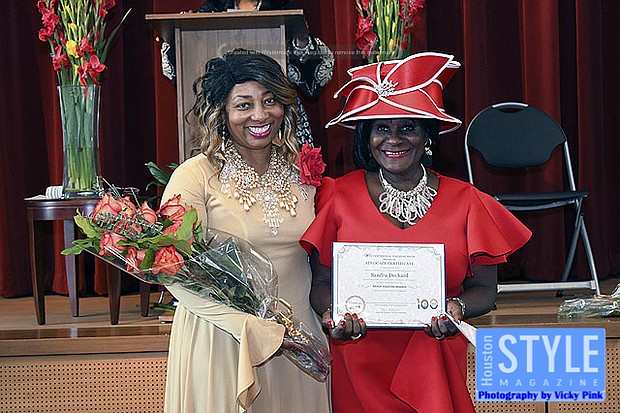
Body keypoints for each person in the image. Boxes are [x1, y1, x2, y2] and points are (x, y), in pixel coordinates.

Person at [300, 52, 532, 413]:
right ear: (367, 136)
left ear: (427, 136)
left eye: (407, 127)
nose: (393, 139)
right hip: (359, 362)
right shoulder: (337, 196)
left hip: (434, 362)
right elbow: (320, 283)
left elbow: (485, 291)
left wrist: (457, 307)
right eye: (381, 128)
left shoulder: (467, 201)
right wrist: (333, 314)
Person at [161, 49, 330, 413]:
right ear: (221, 112)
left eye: (270, 101)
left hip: (300, 344)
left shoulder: (305, 173)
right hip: (224, 341)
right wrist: (251, 328)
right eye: (243, 105)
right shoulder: (195, 175)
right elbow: (174, 271)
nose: (260, 114)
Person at [160, 0, 334, 147]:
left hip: (278, 118)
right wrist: (181, 30)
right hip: (225, 121)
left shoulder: (282, 8)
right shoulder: (213, 8)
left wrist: (301, 40)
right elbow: (184, 63)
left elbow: (311, 76)